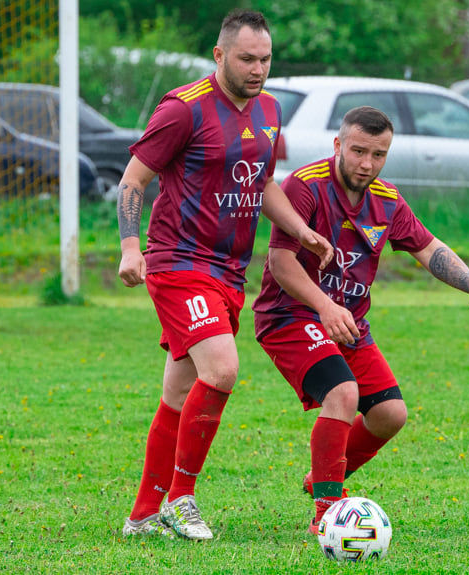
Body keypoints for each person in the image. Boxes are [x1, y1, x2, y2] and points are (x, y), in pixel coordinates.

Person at [117, 9, 333, 541]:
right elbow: (133, 181)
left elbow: (260, 184)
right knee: (222, 369)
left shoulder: (270, 110)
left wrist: (302, 231)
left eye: (265, 59)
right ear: (219, 55)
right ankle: (181, 499)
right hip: (177, 262)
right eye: (246, 58)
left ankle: (143, 514)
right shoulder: (182, 110)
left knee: (179, 392)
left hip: (228, 272)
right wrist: (128, 248)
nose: (257, 69)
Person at [252, 106, 469, 534]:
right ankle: (327, 514)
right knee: (343, 393)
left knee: (390, 414)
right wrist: (325, 307)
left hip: (349, 325)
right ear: (338, 145)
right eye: (358, 151)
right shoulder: (305, 186)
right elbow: (280, 262)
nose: (367, 164)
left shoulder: (385, 200)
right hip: (289, 315)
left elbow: (429, 249)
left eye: (378, 154)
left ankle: (323, 479)